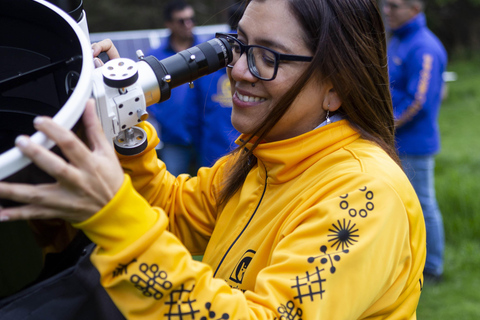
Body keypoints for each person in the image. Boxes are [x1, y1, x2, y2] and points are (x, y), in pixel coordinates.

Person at [0, 0, 427, 319]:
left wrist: (114, 217)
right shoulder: (264, 160)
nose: (238, 70)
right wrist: (127, 129)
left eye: (268, 57)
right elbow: (174, 214)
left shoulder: (365, 195)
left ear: (336, 85)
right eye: (238, 45)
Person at [383, 0, 447, 283]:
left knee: (423, 205)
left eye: (395, 6)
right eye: (386, 5)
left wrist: (383, 123)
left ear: (414, 9)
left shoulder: (423, 46)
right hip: (393, 141)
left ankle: (433, 268)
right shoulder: (398, 39)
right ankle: (405, 262)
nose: (387, 11)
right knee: (398, 205)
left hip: (415, 144)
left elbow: (418, 101)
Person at [147, 0, 203, 175]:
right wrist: (163, 117)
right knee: (172, 192)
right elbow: (146, 94)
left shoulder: (206, 52)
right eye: (181, 21)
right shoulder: (156, 58)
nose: (188, 25)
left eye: (191, 19)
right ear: (169, 24)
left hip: (206, 137)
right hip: (173, 139)